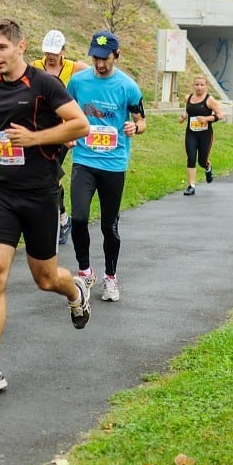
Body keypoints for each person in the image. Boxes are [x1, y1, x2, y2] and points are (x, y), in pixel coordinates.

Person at [0, 19, 91, 397]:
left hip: (39, 193)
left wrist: (35, 138)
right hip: (1, 192)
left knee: (45, 278)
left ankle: (76, 292)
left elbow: (80, 125)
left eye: (1, 47)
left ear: (21, 47)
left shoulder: (44, 85)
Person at [68, 30, 146, 303]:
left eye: (105, 59)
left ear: (116, 56)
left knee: (109, 226)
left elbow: (142, 121)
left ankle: (110, 277)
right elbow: (67, 114)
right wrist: (66, 134)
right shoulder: (77, 82)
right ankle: (85, 271)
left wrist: (134, 127)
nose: (100, 64)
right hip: (84, 160)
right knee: (78, 218)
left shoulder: (128, 87)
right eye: (95, 58)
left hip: (113, 164)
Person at [32, 29, 89, 244]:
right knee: (46, 175)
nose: (51, 56)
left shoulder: (75, 68)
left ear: (63, 50)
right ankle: (62, 219)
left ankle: (60, 220)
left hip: (65, 133)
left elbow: (96, 80)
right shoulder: (34, 67)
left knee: (50, 174)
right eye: (48, 51)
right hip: (41, 131)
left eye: (55, 52)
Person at [178, 74, 223, 195]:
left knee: (202, 161)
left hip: (205, 135)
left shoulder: (209, 100)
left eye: (202, 85)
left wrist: (207, 118)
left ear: (206, 86)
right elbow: (188, 109)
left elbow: (220, 115)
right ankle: (191, 186)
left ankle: (208, 168)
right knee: (191, 157)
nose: (199, 87)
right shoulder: (189, 98)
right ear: (193, 85)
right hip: (191, 133)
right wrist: (183, 117)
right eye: (197, 84)